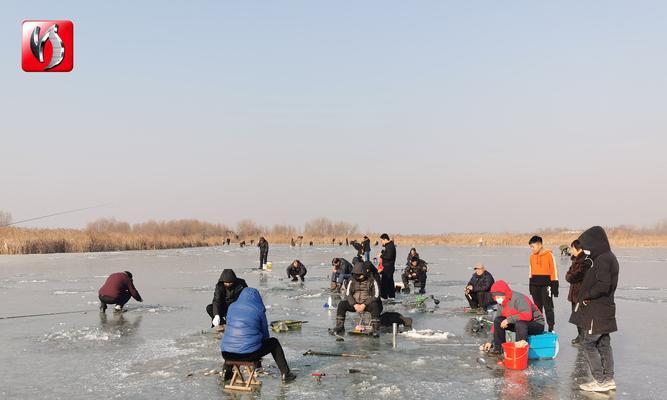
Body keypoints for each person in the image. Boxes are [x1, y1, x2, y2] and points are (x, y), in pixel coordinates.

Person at [569, 226, 618, 392]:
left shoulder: (604, 259)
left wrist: (587, 295)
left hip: (597, 311)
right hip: (604, 310)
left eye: (587, 245)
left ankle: (599, 380)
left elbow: (603, 285)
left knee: (588, 344)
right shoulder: (606, 257)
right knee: (604, 343)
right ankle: (608, 379)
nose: (586, 249)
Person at [221, 288, 296, 383]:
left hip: (226, 354)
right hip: (248, 355)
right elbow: (265, 334)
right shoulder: (258, 310)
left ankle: (226, 372)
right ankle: (286, 374)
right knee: (274, 343)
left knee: (232, 342)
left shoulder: (231, 307)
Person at [483, 280, 545, 355]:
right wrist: (489, 341)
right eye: (495, 297)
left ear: (505, 293)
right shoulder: (501, 304)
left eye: (499, 296)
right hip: (517, 324)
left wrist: (508, 320)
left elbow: (527, 316)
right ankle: (499, 349)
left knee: (520, 324)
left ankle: (520, 352)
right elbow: (496, 324)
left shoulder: (519, 298)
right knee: (498, 321)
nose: (497, 299)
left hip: (536, 323)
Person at [329, 261, 382, 337]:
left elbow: (376, 295)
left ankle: (375, 329)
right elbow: (348, 294)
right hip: (355, 304)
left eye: (359, 275)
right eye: (356, 275)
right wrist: (354, 304)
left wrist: (364, 304)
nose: (358, 277)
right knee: (342, 304)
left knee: (375, 306)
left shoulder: (372, 280)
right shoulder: (352, 280)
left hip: (367, 304)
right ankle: (339, 326)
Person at [528, 235, 559, 331]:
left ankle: (551, 327)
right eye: (531, 247)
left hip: (546, 286)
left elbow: (554, 271)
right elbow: (530, 271)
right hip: (535, 286)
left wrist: (555, 286)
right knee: (537, 308)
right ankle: (539, 326)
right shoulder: (532, 257)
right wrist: (530, 285)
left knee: (548, 307)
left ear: (540, 245)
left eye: (533, 247)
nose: (532, 249)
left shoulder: (549, 255)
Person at [565, 239, 591, 345]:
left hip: (581, 294)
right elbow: (569, 274)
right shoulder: (575, 260)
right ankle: (580, 336)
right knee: (576, 316)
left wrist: (570, 275)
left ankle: (585, 337)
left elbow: (575, 276)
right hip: (574, 294)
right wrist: (570, 275)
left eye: (572, 248)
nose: (571, 250)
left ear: (578, 248)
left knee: (582, 317)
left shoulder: (585, 261)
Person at [379, 233, 397, 299]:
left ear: (385, 239)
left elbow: (389, 256)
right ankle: (389, 296)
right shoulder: (389, 246)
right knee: (388, 283)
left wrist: (381, 255)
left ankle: (387, 297)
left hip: (388, 268)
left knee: (387, 283)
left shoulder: (390, 246)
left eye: (381, 241)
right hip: (387, 267)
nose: (381, 242)